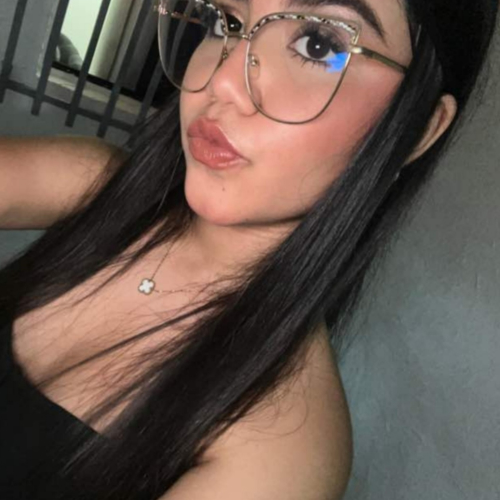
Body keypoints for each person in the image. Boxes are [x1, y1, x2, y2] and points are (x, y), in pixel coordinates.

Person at [0, 0, 497, 498]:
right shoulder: (93, 186)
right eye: (228, 23)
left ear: (420, 129)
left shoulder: (280, 457)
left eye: (318, 45)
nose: (222, 82)